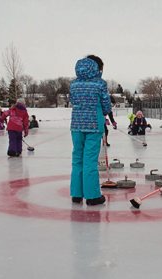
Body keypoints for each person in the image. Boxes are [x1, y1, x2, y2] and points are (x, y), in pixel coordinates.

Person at [70, 55, 111, 206]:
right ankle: (92, 196)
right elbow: (106, 104)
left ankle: (77, 193)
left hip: (76, 125)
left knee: (77, 158)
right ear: (97, 68)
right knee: (90, 160)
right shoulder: (100, 84)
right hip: (94, 124)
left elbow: (73, 101)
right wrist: (105, 112)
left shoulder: (74, 84)